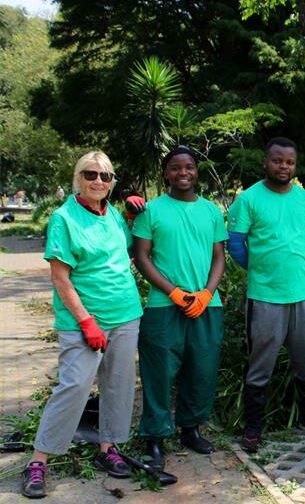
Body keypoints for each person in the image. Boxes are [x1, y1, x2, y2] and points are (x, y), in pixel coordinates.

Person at [21, 151, 144, 499]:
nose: (98, 182)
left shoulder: (115, 217)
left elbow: (130, 252)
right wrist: (86, 321)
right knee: (73, 386)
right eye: (91, 174)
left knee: (118, 385)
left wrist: (134, 218)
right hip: (83, 321)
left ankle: (109, 448)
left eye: (105, 176)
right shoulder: (64, 218)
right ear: (78, 177)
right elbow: (60, 277)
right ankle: (39, 460)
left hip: (125, 314)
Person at [132, 146, 227, 470]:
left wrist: (206, 293)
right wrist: (172, 292)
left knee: (201, 370)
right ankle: (155, 437)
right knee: (158, 372)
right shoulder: (151, 210)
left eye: (188, 167)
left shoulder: (212, 211)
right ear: (166, 173)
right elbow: (141, 256)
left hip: (206, 306)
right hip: (163, 306)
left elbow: (219, 256)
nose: (182, 173)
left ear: (196, 171)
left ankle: (191, 429)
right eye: (175, 168)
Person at [227, 137, 305, 452]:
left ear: (295, 165)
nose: (284, 167)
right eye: (277, 160)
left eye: (289, 162)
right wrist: (262, 270)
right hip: (265, 296)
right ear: (266, 162)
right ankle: (254, 427)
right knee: (260, 363)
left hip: (303, 293)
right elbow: (237, 245)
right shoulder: (249, 199)